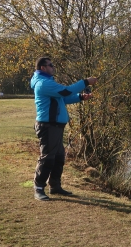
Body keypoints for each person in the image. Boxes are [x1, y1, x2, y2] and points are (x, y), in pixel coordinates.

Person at [30, 57, 97, 201]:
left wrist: (81, 97)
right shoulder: (43, 83)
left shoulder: (48, 82)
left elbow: (63, 98)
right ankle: (38, 188)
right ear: (43, 68)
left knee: (59, 157)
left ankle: (55, 186)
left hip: (56, 126)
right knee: (47, 158)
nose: (53, 67)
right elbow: (66, 91)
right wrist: (85, 82)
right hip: (48, 126)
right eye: (50, 65)